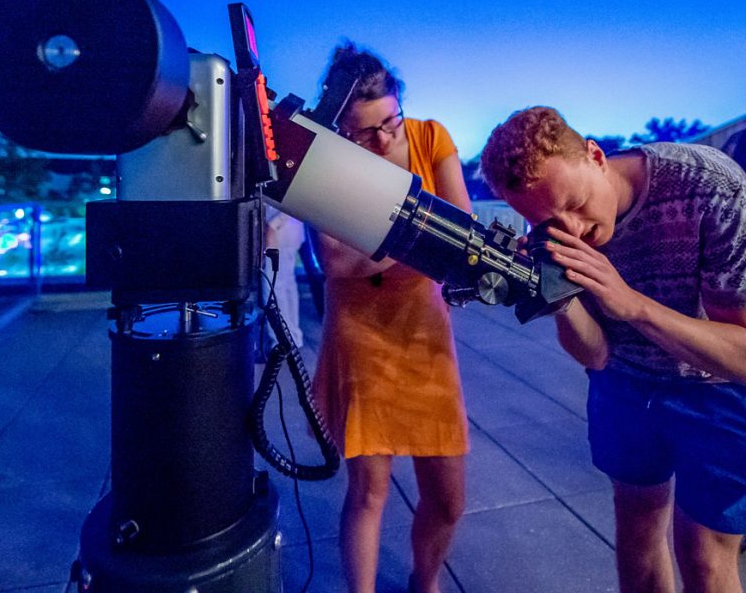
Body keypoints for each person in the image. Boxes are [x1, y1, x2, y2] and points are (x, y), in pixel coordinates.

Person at [480, 106, 746, 593]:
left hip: (718, 388)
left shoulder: (711, 187)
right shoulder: (555, 231)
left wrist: (633, 306)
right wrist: (557, 297)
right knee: (638, 537)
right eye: (547, 221)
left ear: (596, 156)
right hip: (624, 382)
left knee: (705, 557)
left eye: (576, 203)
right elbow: (597, 355)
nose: (573, 230)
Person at [311, 44, 470, 593]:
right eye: (364, 133)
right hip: (361, 334)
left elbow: (463, 232)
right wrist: (425, 241)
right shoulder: (325, 161)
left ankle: (423, 581)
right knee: (369, 491)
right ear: (341, 130)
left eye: (390, 123)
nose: (382, 141)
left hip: (423, 330)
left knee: (449, 498)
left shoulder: (430, 137)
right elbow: (334, 261)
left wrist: (376, 249)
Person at [261, 206, 305, 353]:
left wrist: (272, 225)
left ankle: (280, 342)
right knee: (286, 286)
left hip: (279, 234)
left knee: (273, 289)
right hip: (287, 232)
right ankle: (292, 338)